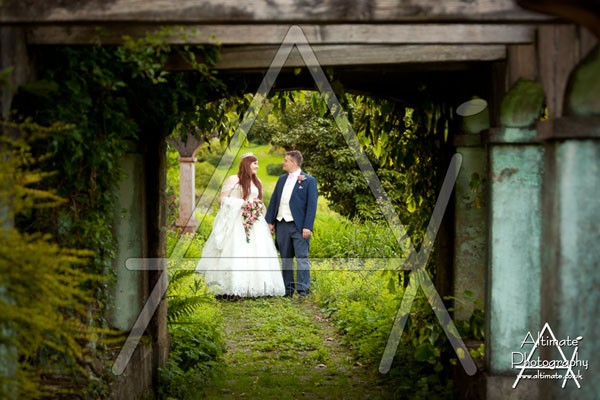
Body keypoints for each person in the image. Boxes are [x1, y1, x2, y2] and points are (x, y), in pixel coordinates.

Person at [196, 153, 285, 297]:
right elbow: (221, 199)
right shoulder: (233, 179)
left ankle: (255, 287)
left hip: (255, 222)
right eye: (255, 163)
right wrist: (241, 203)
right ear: (246, 164)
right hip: (236, 220)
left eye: (257, 163)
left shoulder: (258, 182)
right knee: (236, 250)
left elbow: (260, 203)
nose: (257, 166)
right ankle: (231, 287)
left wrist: (268, 222)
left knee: (257, 251)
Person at [265, 150, 318, 297]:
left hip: (299, 226)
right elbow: (274, 201)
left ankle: (303, 291)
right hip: (282, 224)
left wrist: (307, 226)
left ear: (293, 163)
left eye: (286, 160)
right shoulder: (281, 179)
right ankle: (287, 290)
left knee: (302, 258)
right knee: (286, 258)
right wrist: (270, 221)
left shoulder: (309, 181)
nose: (283, 163)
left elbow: (311, 206)